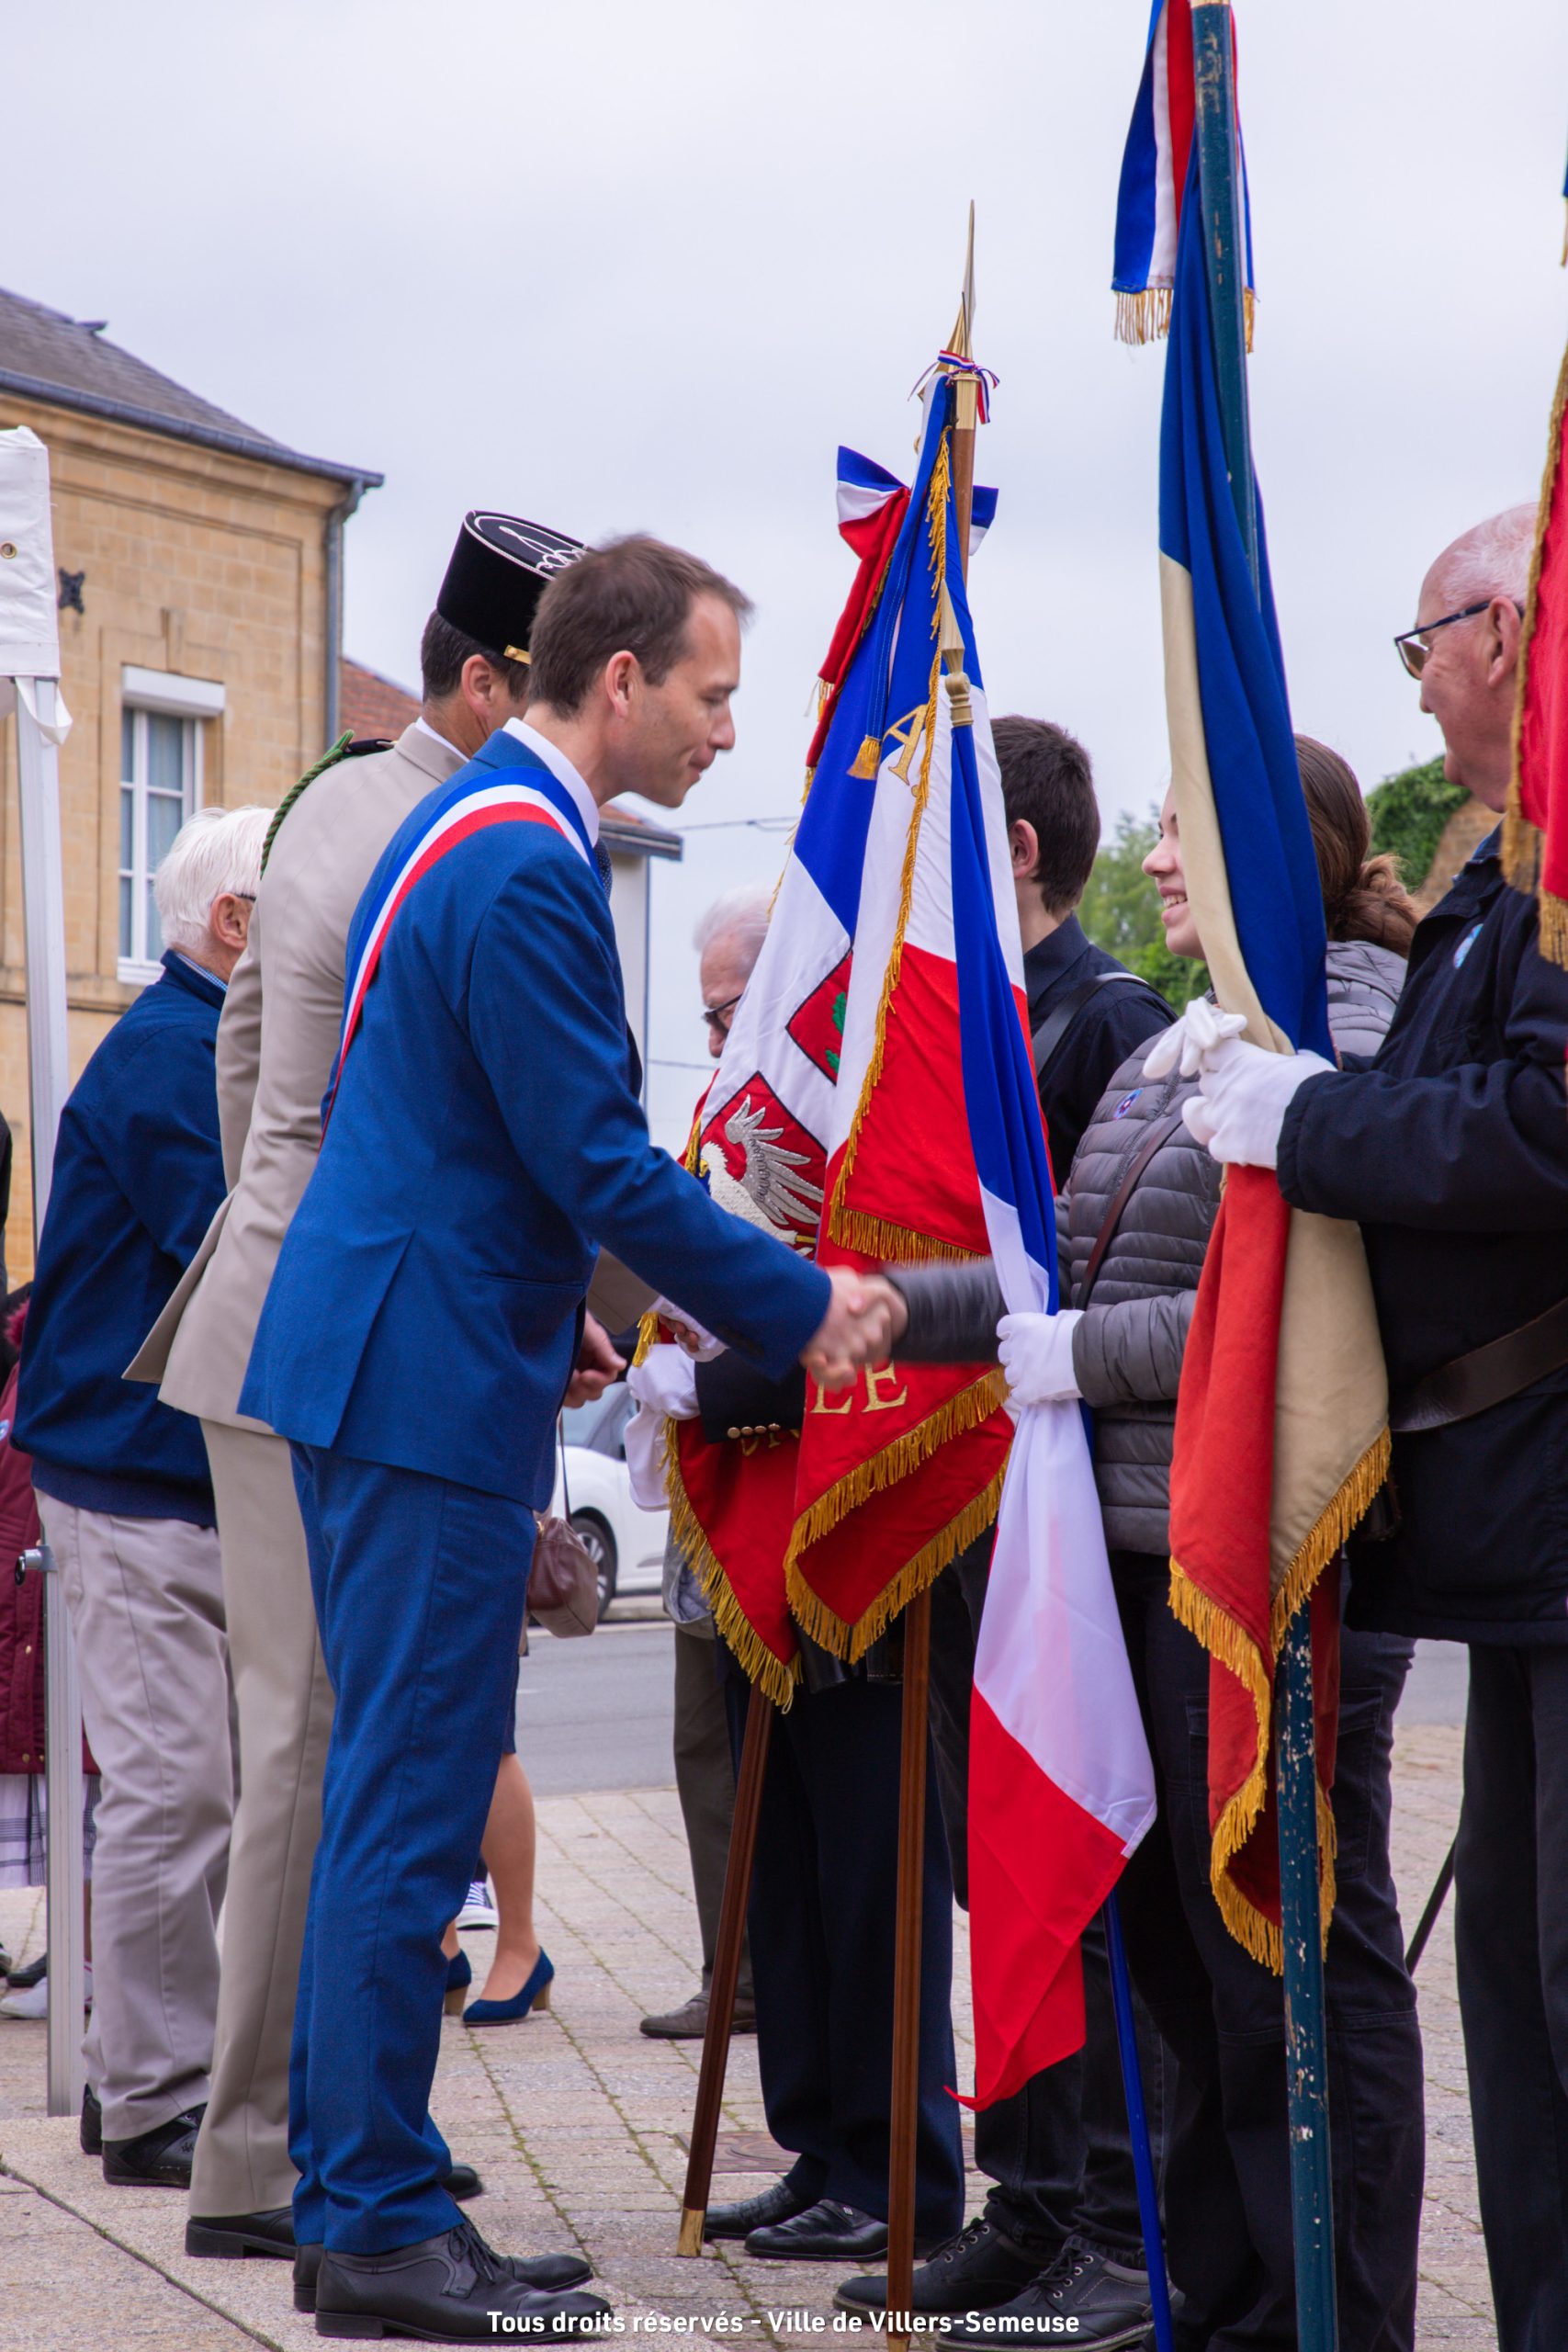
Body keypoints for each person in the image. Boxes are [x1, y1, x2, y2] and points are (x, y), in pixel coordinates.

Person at [237, 533, 882, 2344]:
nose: (724, 732)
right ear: (617, 680)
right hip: (420, 1381)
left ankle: (362, 2195)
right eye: (709, 694)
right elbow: (594, 1156)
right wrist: (794, 1299)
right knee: (412, 1796)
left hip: (405, 1350)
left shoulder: (469, 824)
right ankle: (378, 2222)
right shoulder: (525, 860)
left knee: (390, 1789)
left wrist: (561, 1307)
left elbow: (451, 1126)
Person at [887, 738, 1427, 2349]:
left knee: (1289, 1962)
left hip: (1268, 1565)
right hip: (1139, 1551)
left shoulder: (1346, 1029)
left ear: (1272, 844)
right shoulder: (1178, 1050)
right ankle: (1231, 2298)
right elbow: (1055, 1276)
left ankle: (1330, 2311)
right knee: (1185, 1971)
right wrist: (865, 1314)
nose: (1156, 858)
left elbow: (1294, 1319)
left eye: (1185, 830)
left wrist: (1082, 1357)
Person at [128, 515, 582, 2265]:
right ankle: (270, 2159)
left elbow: (250, 1061)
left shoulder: (331, 800)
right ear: (488, 684)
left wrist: (276, 1225)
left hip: (286, 1311)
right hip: (349, 1341)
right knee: (324, 1755)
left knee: (326, 1749)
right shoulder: (454, 832)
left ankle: (330, 2135)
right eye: (551, 690)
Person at [1184, 508, 1568, 2352]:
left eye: (1422, 644)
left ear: (1504, 629)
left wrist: (1305, 1120)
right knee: (1513, 1983)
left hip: (1549, 1497)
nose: (1413, 686)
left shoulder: (1554, 875)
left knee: (1553, 1979)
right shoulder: (1508, 870)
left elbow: (1538, 1131)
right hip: (1513, 1520)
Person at [847, 718, 1172, 2325]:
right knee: (1001, 1870)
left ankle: (1107, 2214)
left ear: (1015, 853)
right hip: (984, 1496)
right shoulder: (977, 1022)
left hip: (1076, 1507)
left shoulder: (1105, 1023)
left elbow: (1087, 1280)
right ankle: (1032, 2203)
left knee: (1076, 1871)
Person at [15, 806, 269, 2186]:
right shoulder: (182, 1054)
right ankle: (156, 2098)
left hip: (156, 1477)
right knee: (176, 1790)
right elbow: (243, 1254)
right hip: (134, 1480)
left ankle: (149, 2082)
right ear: (236, 924)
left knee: (189, 1789)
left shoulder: (192, 1042)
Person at [637, 886, 767, 2043]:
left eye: (729, 1011)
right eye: (710, 1017)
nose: (717, 1038)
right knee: (702, 1738)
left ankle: (775, 1970)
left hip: (776, 1469)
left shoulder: (811, 1108)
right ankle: (738, 1964)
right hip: (702, 1464)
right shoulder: (718, 1107)